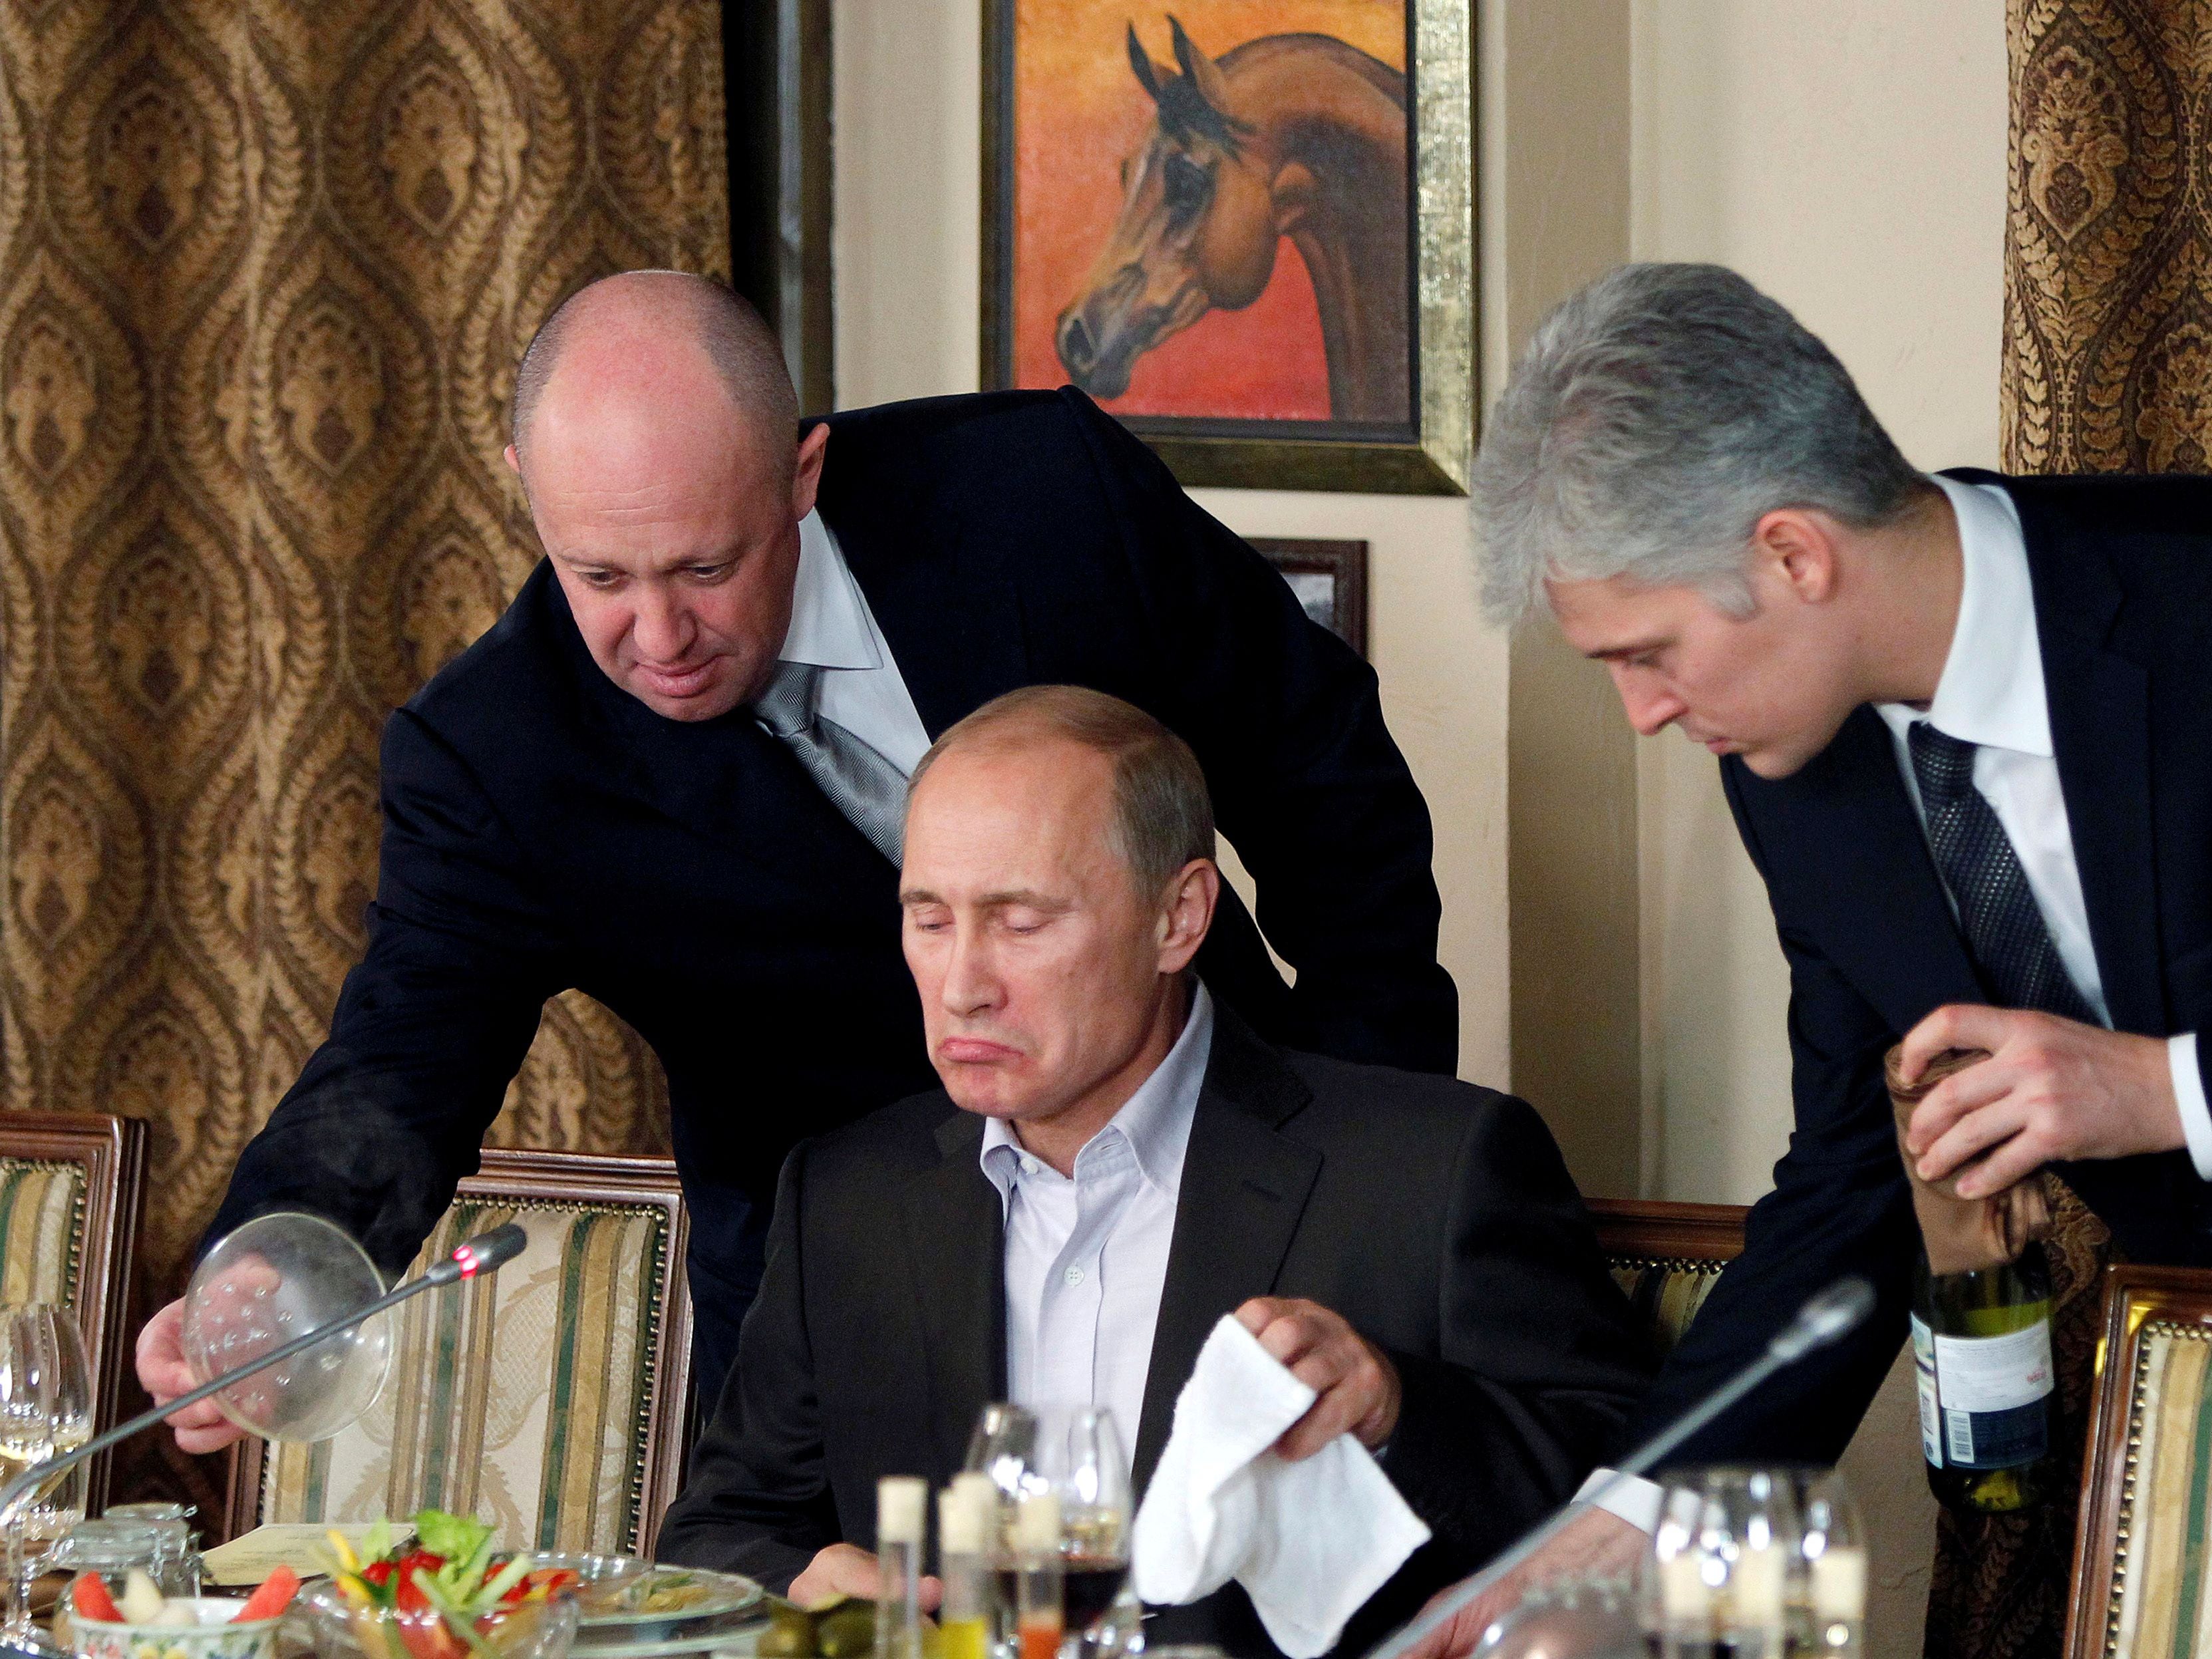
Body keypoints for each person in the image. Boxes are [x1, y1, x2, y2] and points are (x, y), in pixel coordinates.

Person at [135, 273, 1460, 1450]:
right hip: (843, 1341)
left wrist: (1362, 1160)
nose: (659, 636)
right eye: (597, 574)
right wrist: (269, 1271)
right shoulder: (497, 754)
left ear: (803, 472)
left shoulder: (1042, 498)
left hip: (1227, 1223)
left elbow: (1330, 789)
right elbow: (394, 1069)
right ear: (523, 488)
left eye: (707, 566)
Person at [1418, 259, 2212, 1646]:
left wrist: (2164, 1090)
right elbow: (1850, 1174)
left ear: (1791, 552)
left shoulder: (2197, 604)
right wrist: (1619, 1519)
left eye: (1647, 650)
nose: (1640, 715)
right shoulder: (1792, 763)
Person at [656, 686, 1651, 1659]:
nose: (961, 983)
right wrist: (803, 1581)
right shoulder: (848, 1193)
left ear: (1179, 917)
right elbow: (717, 1531)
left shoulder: (1431, 1166)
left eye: (1020, 920)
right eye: (929, 917)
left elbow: (1630, 1480)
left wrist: (1395, 1403)